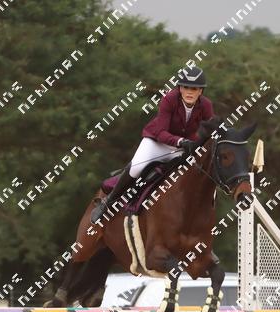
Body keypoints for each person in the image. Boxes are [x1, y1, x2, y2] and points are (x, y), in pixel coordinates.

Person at [90, 66, 215, 223]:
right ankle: (108, 202)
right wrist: (181, 141)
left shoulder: (206, 105)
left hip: (182, 148)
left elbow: (211, 130)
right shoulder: (169, 99)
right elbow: (161, 132)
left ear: (200, 91)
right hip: (156, 142)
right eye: (186, 87)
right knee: (136, 168)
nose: (189, 92)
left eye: (194, 89)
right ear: (180, 88)